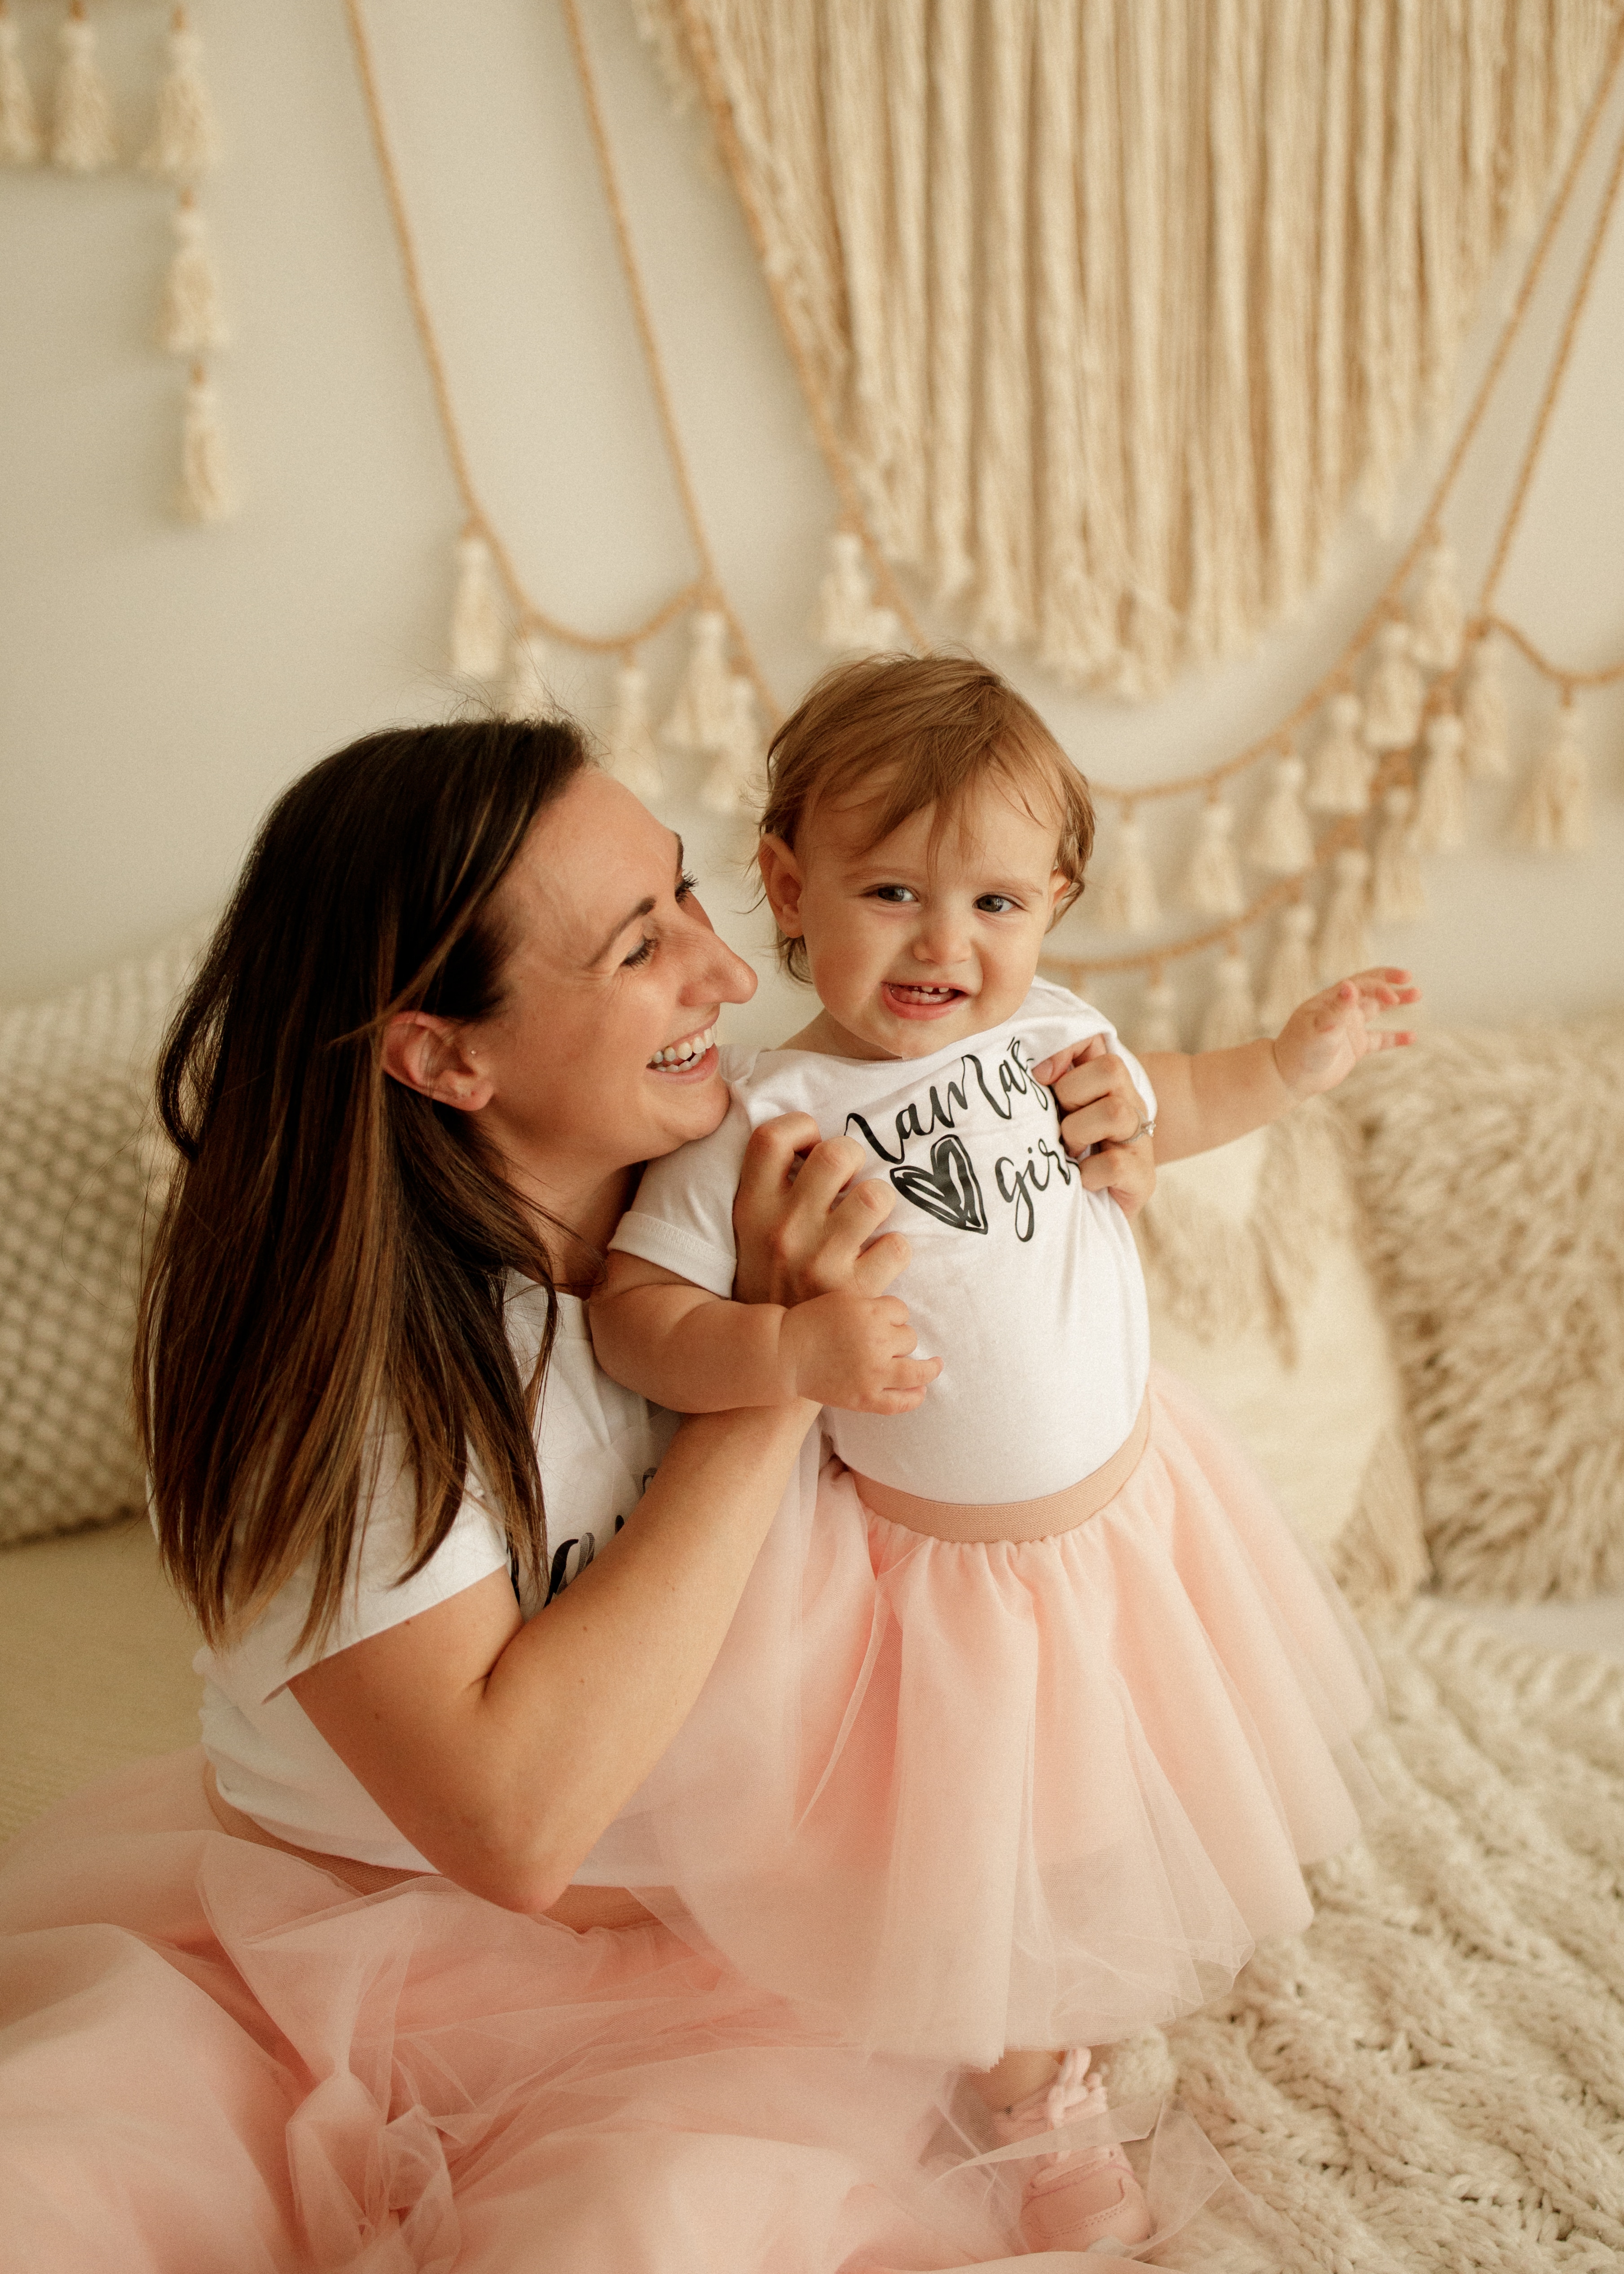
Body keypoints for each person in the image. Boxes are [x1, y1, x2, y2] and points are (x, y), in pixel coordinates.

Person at [0, 715, 1116, 2271]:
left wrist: (1075, 1186)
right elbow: (509, 1825)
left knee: (639, 2232)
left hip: (725, 1958)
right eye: (635, 948)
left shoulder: (757, 1167)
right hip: (340, 1960)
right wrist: (769, 1380)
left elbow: (1020, 1455)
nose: (727, 978)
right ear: (443, 1054)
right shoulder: (352, 1373)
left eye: (687, 899)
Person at [588, 654, 1418, 2254]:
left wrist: (1290, 1064)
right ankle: (1031, 2077)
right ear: (787, 884)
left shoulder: (1055, 1036)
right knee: (979, 1841)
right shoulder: (767, 1120)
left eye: (993, 903)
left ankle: (1084, 1984)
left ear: (1053, 905)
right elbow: (635, 1311)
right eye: (890, 891)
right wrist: (785, 1351)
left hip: (1131, 1517)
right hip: (929, 1582)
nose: (942, 945)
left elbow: (1168, 1106)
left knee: (1114, 1787)